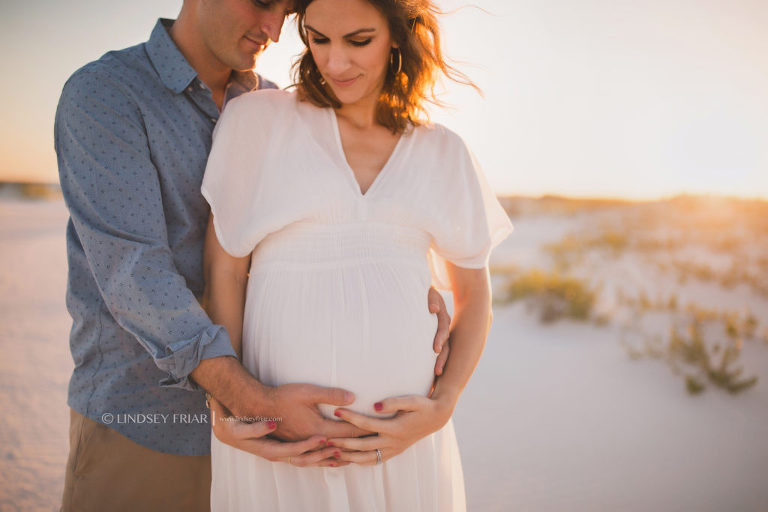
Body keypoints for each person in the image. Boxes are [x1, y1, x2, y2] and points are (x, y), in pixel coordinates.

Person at [54, 1, 452, 510]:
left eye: (286, 11)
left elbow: (334, 227)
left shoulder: (280, 106)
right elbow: (132, 272)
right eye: (262, 1)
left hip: (284, 453)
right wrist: (249, 402)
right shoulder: (107, 93)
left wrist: (412, 287)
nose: (272, 29)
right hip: (150, 423)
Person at [201, 0, 513, 509]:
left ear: (398, 36)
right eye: (319, 38)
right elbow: (225, 271)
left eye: (358, 41)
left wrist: (444, 404)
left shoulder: (442, 151)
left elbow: (475, 298)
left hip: (402, 448)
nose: (335, 62)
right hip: (283, 444)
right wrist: (230, 402)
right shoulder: (258, 120)